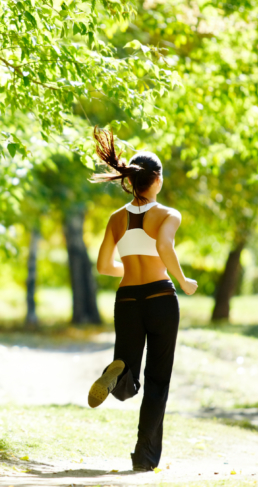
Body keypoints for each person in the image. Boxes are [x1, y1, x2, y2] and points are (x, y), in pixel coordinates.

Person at [88, 126, 198, 472]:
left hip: (127, 301)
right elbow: (164, 246)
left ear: (132, 180)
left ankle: (116, 375)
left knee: (129, 374)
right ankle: (144, 458)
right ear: (157, 180)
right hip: (160, 297)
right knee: (157, 379)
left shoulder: (116, 218)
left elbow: (104, 265)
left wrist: (131, 271)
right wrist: (183, 280)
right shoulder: (168, 214)